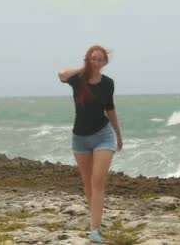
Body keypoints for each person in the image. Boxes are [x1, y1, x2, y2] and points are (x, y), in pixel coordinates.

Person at [58, 44, 123, 243]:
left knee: (97, 181)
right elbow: (61, 74)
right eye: (93, 58)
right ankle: (96, 220)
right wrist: (83, 68)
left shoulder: (108, 83)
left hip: (104, 135)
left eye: (100, 59)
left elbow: (110, 108)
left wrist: (118, 135)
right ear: (88, 59)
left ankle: (95, 231)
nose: (96, 62)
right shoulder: (78, 80)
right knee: (87, 183)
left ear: (104, 62)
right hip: (80, 138)